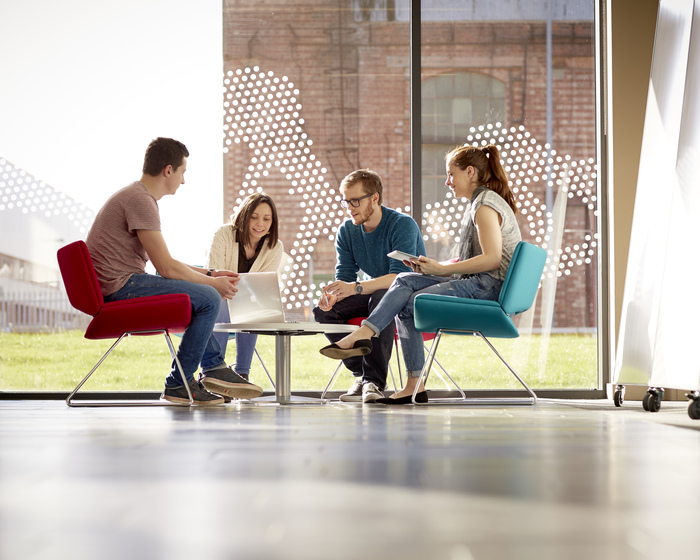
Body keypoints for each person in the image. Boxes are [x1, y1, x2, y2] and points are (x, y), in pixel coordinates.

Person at [320, 144, 521, 404]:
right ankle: (410, 380)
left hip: (489, 287)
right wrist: (435, 266)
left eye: (451, 174)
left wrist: (443, 270)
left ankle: (380, 351)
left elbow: (492, 259)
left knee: (411, 300)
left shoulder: (484, 206)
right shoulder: (479, 202)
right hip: (478, 282)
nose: (447, 181)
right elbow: (480, 257)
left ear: (470, 172)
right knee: (404, 279)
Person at [85, 137, 263, 406]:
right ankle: (184, 381)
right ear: (168, 170)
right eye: (182, 173)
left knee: (201, 295)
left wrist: (211, 274)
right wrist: (211, 285)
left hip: (123, 283)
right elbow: (165, 268)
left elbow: (164, 263)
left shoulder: (137, 196)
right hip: (120, 287)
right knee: (209, 298)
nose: (182, 181)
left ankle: (209, 370)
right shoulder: (140, 200)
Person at [313, 169, 426, 403]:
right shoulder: (347, 230)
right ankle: (363, 375)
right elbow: (345, 274)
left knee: (382, 295)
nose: (350, 207)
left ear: (375, 198)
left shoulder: (402, 225)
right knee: (323, 310)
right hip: (375, 292)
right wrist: (334, 295)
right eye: (347, 201)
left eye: (356, 200)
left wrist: (354, 288)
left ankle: (374, 382)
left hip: (410, 296)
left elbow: (400, 277)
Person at [206, 192, 284, 382]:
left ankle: (243, 372)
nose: (260, 224)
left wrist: (249, 294)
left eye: (267, 219)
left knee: (255, 309)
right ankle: (215, 370)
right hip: (216, 296)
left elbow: (263, 286)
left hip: (247, 300)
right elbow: (215, 274)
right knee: (222, 301)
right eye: (254, 217)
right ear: (244, 216)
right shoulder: (224, 234)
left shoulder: (275, 247)